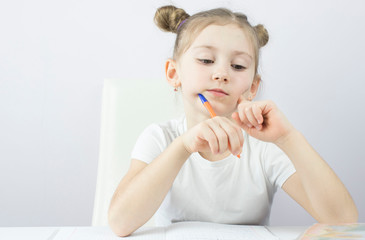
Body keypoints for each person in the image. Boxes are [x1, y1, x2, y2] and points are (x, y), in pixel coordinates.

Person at [108, 5, 358, 237]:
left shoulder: (264, 147)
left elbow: (344, 222)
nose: (221, 74)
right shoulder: (160, 139)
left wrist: (287, 138)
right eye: (206, 60)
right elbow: (120, 222)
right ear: (174, 73)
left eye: (238, 66)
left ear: (253, 87)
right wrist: (184, 146)